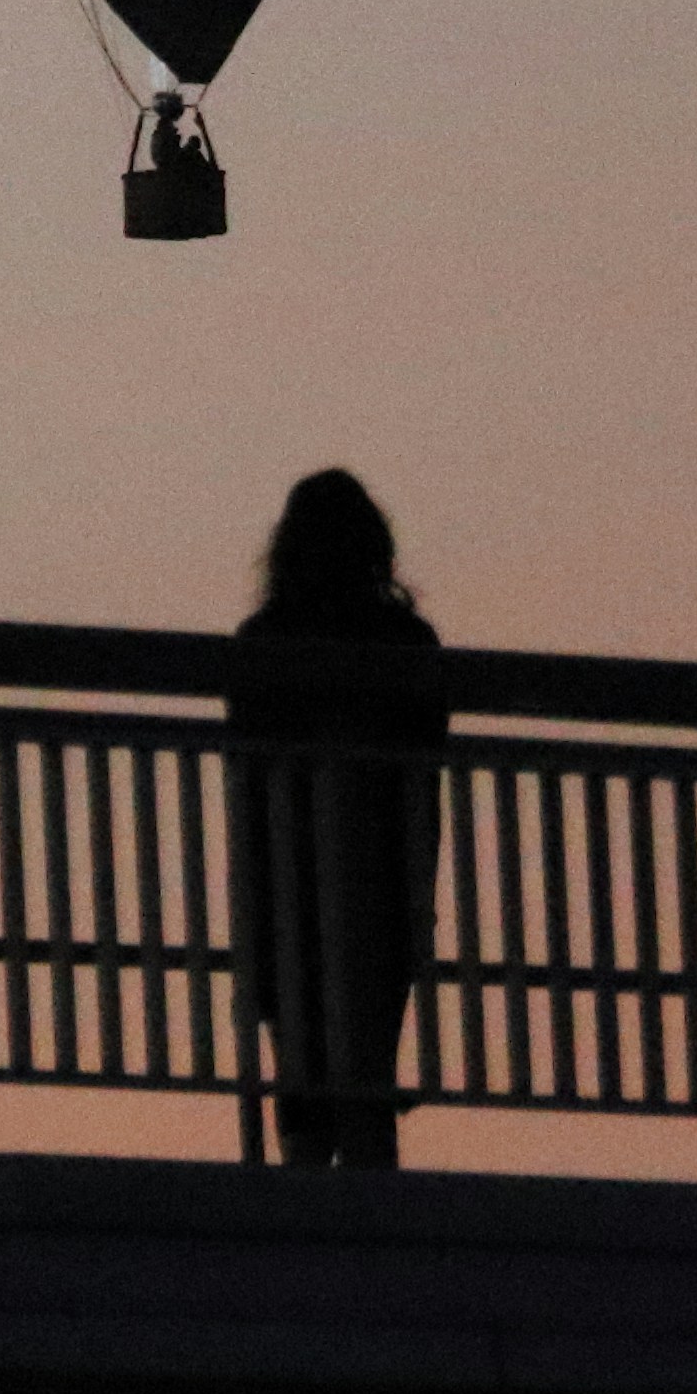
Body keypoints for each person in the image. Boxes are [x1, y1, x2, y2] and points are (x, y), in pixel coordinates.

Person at [225, 467, 445, 1167]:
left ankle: (304, 1188)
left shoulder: (262, 640)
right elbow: (424, 769)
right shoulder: (407, 642)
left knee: (300, 1063)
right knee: (369, 1066)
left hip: (282, 882)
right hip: (382, 877)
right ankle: (374, 1200)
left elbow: (248, 774)